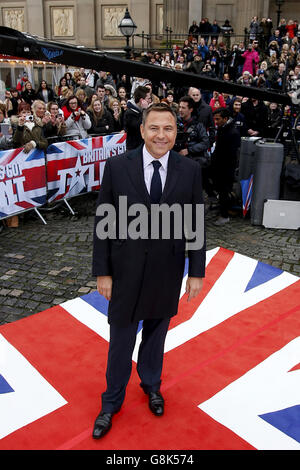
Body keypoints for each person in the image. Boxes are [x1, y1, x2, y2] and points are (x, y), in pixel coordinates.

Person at [92, 102, 205, 439]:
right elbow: (103, 221)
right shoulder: (116, 166)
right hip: (125, 272)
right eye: (154, 128)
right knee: (121, 339)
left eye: (168, 128)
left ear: (175, 132)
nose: (161, 135)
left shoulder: (189, 170)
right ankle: (110, 403)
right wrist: (103, 272)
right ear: (142, 131)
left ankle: (151, 385)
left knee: (156, 336)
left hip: (166, 270)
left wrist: (195, 271)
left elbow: (195, 222)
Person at [211, 107, 241, 225]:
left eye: (218, 119)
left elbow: (230, 155)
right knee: (220, 190)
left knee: (224, 191)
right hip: (220, 166)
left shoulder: (232, 132)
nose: (216, 122)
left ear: (225, 118)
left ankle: (224, 215)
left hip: (225, 168)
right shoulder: (223, 129)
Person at [123, 85, 151, 150]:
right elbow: (139, 127)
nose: (150, 101)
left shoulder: (143, 111)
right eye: (148, 99)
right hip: (133, 149)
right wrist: (144, 110)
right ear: (142, 100)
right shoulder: (129, 113)